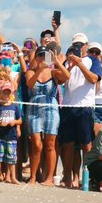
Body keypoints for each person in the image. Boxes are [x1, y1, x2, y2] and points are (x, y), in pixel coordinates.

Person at [57, 33, 99, 188]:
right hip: (68, 106)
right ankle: (67, 177)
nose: (79, 47)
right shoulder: (68, 61)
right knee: (67, 145)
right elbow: (61, 79)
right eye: (76, 45)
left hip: (85, 107)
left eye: (81, 44)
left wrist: (80, 64)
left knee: (86, 145)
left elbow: (93, 79)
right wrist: (70, 64)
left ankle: (85, 179)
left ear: (86, 46)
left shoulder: (92, 60)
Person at [24, 47, 69, 185]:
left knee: (50, 144)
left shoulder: (54, 72)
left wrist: (57, 62)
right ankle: (33, 177)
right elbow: (30, 84)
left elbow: (67, 76)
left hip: (51, 108)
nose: (43, 58)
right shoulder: (30, 71)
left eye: (45, 56)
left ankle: (49, 178)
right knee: (36, 144)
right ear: (35, 57)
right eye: (40, 55)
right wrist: (39, 70)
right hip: (34, 108)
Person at [0, 81, 23, 184]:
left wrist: (15, 123)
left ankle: (13, 177)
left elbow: (20, 120)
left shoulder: (15, 107)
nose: (6, 94)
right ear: (0, 93)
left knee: (11, 158)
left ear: (12, 93)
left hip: (11, 136)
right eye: (4, 92)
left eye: (8, 92)